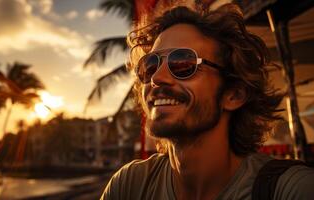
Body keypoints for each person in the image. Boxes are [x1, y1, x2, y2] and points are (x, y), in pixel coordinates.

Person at [100, 4, 314, 200]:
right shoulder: (129, 185)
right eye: (150, 65)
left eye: (183, 63)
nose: (157, 78)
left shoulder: (289, 189)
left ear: (234, 95)